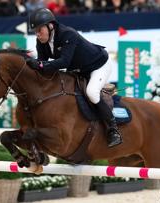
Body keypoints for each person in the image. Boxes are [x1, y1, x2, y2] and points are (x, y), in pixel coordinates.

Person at [26, 8, 122, 148]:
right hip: (79, 69)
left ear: (51, 25)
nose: (38, 34)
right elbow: (43, 65)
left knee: (92, 92)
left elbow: (63, 62)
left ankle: (113, 129)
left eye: (40, 30)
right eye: (35, 32)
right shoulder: (41, 42)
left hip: (98, 65)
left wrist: (40, 65)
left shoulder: (67, 34)